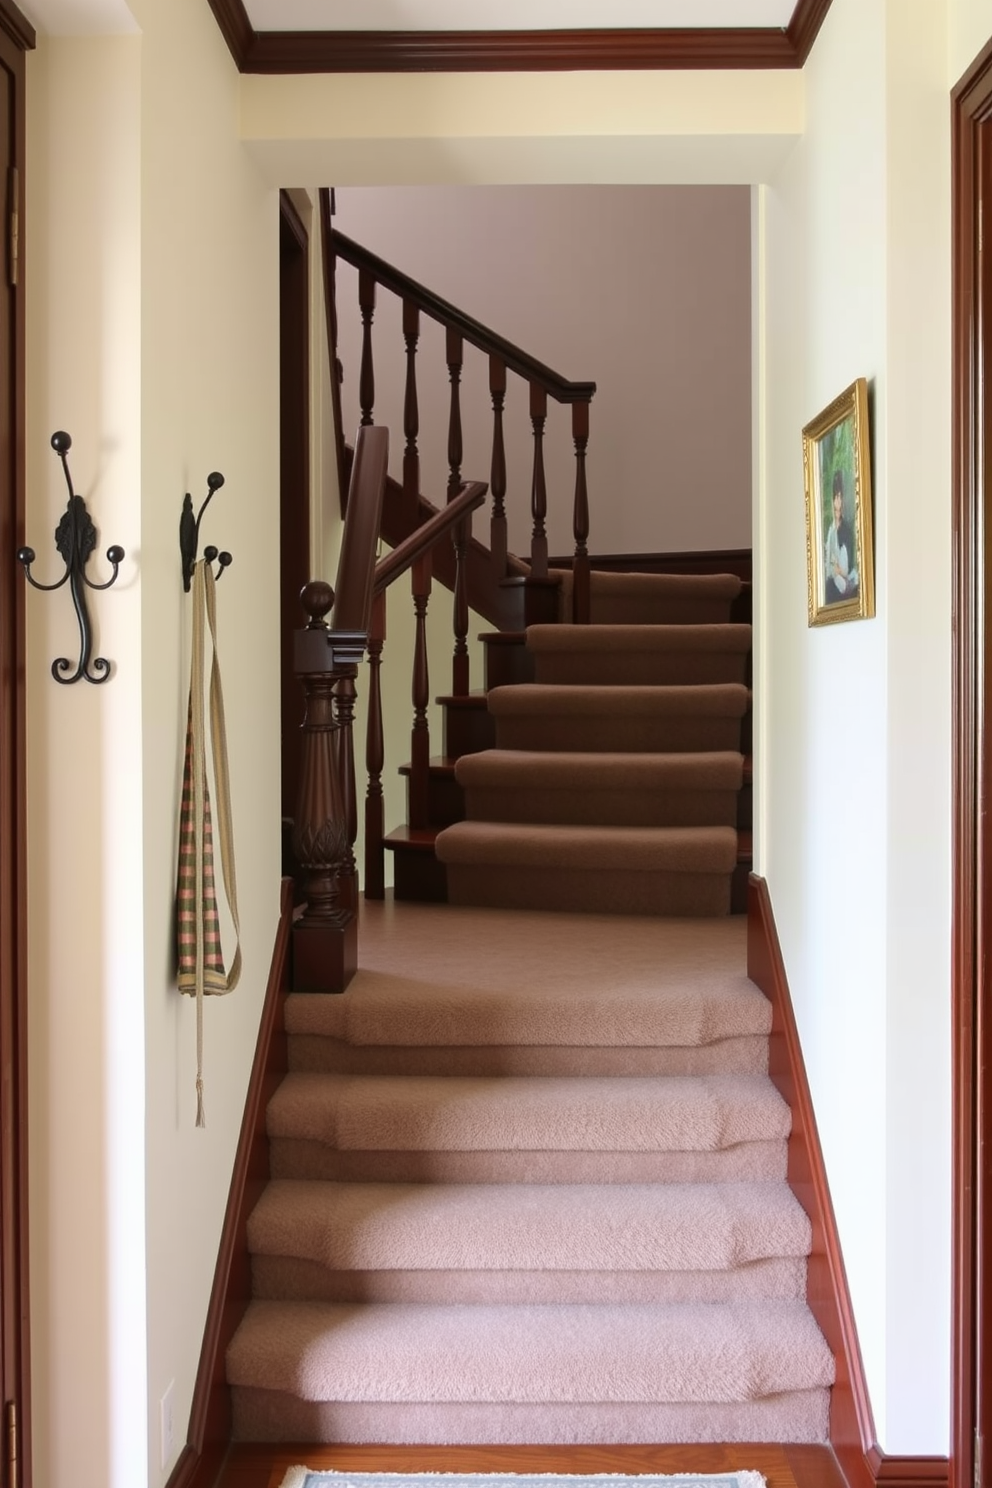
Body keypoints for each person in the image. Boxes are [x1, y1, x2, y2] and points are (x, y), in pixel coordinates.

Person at [824, 469, 858, 603]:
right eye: (836, 497)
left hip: (845, 585)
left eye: (840, 497)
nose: (838, 502)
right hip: (834, 583)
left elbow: (845, 569)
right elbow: (829, 566)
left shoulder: (846, 531)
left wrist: (838, 569)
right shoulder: (831, 531)